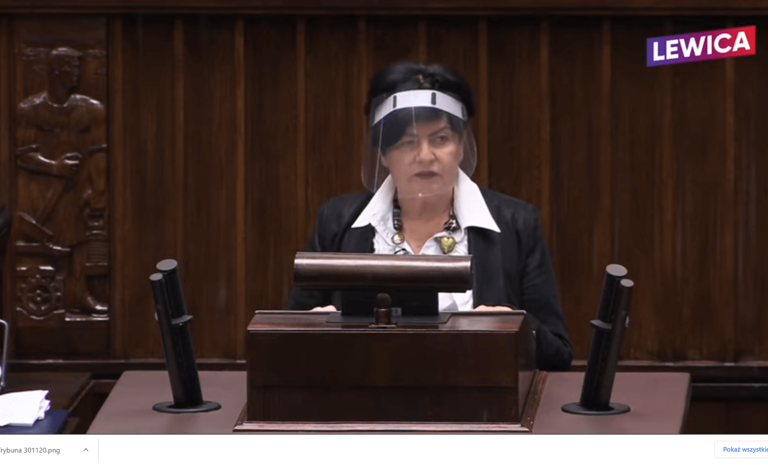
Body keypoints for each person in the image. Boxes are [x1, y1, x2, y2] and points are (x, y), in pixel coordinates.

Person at [287, 62, 572, 371]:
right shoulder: (337, 221)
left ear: (460, 146)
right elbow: (286, 344)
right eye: (408, 142)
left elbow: (557, 353)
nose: (425, 156)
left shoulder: (516, 223)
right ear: (383, 154)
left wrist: (519, 329)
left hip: (479, 396)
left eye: (440, 139)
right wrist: (312, 328)